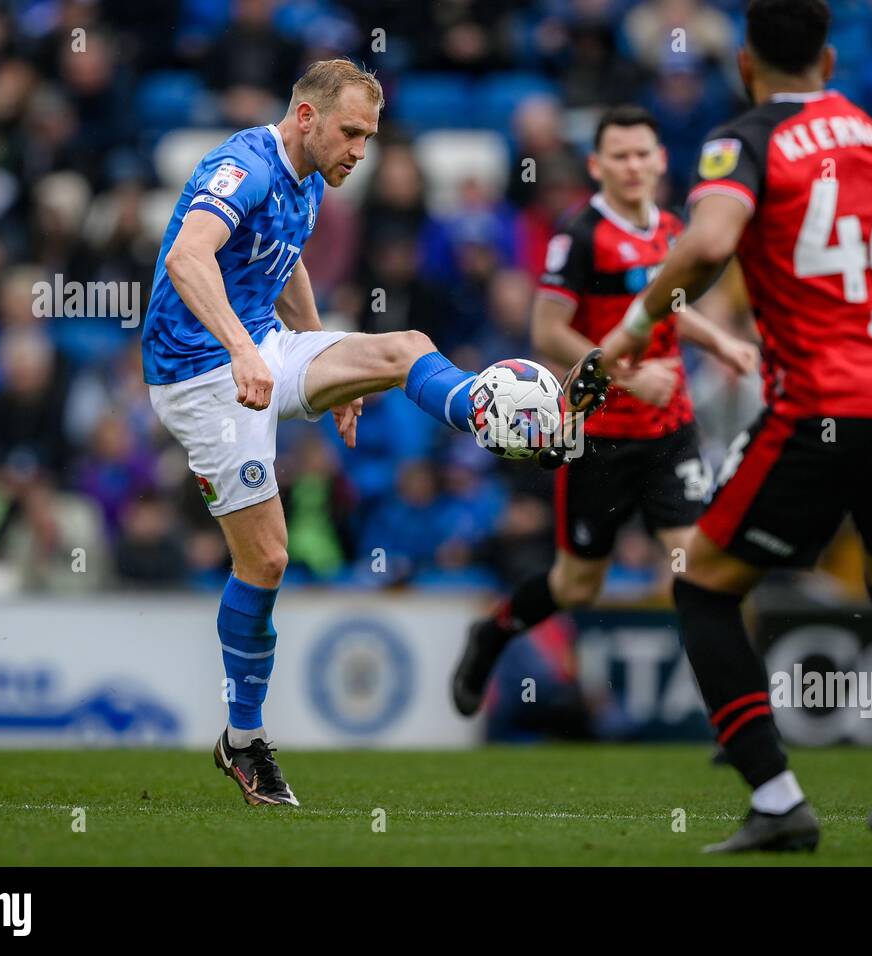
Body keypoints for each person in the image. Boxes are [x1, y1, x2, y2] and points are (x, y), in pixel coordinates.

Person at [142, 59, 605, 806]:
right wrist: (237, 348)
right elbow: (187, 257)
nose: (360, 150)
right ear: (305, 117)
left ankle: (495, 417)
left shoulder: (308, 181)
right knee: (266, 562)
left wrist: (330, 365)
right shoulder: (243, 164)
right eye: (351, 132)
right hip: (200, 377)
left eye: (371, 137)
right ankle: (244, 738)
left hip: (263, 349)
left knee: (403, 348)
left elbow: (280, 266)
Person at [599, 0, 872, 852]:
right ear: (832, 60)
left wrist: (631, 326)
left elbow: (707, 245)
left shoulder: (743, 140)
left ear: (744, 65)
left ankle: (776, 801)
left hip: (823, 403)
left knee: (700, 584)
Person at [451, 105, 759, 718]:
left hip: (670, 433)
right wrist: (626, 373)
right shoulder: (580, 236)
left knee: (699, 569)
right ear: (597, 165)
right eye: (619, 155)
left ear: (661, 159)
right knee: (576, 585)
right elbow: (547, 332)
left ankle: (739, 718)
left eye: (643, 153)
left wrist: (719, 340)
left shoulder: (673, 231)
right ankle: (493, 634)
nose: (634, 165)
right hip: (597, 438)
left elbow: (667, 302)